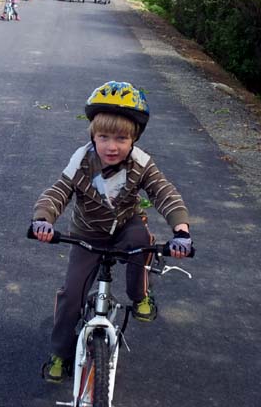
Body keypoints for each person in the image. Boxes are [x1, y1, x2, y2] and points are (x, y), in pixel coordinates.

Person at [31, 81, 193, 382]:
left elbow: (164, 192)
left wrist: (181, 231)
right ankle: (60, 353)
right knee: (72, 295)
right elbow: (58, 192)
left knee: (141, 241)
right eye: (103, 137)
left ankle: (140, 295)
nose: (112, 146)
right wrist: (43, 220)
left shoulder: (141, 163)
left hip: (125, 227)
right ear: (93, 135)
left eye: (121, 138)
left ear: (134, 139)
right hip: (87, 234)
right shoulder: (81, 161)